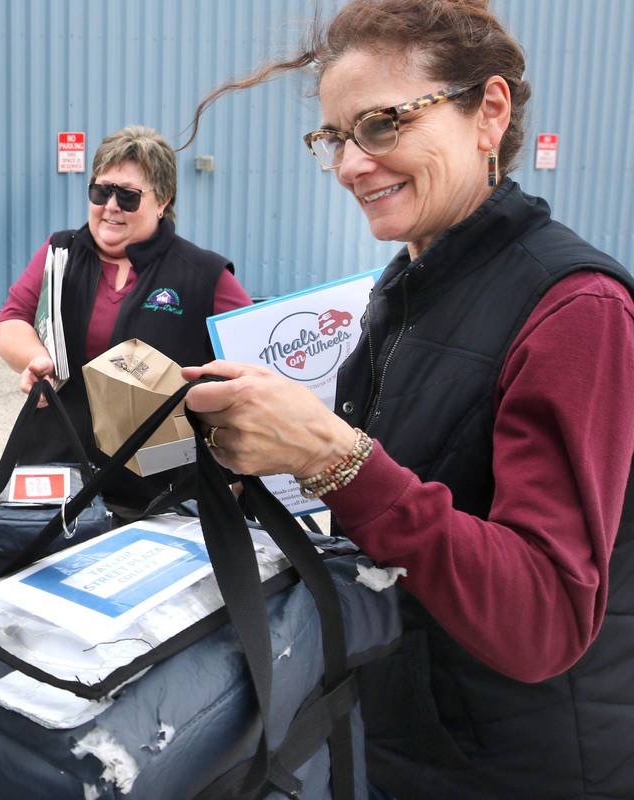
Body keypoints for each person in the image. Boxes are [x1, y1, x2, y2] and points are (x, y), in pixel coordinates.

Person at [181, 1, 634, 797]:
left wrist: (332, 456)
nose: (352, 164)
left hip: (520, 767)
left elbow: (544, 619)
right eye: (333, 137)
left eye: (382, 124)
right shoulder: (410, 283)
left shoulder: (576, 312)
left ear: (488, 112)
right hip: (409, 735)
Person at [0, 125, 251, 509]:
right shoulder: (60, 253)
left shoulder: (202, 274)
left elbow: (253, 363)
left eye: (128, 197)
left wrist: (232, 464)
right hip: (61, 459)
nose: (111, 206)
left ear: (162, 201)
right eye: (101, 192)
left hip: (158, 481)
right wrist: (37, 361)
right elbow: (11, 320)